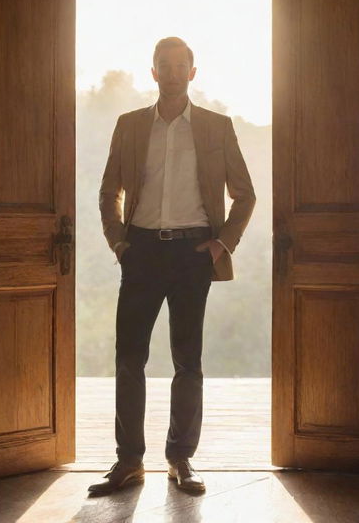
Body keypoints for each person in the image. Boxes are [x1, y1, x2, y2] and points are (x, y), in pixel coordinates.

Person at [88, 36, 256, 496]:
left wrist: (222, 243)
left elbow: (246, 194)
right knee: (129, 358)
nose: (174, 72)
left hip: (192, 255)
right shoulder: (129, 125)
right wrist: (119, 242)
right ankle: (128, 461)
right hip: (140, 251)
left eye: (181, 65)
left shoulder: (217, 126)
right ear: (154, 72)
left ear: (193, 73)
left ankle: (181, 459)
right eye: (165, 65)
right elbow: (109, 192)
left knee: (188, 361)